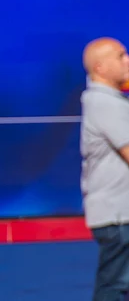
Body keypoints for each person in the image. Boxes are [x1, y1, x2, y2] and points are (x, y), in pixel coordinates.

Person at [80, 37, 129, 301]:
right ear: (100, 67)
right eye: (120, 56)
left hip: (120, 215)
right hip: (119, 217)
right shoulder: (103, 103)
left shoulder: (112, 101)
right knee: (115, 286)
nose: (127, 61)